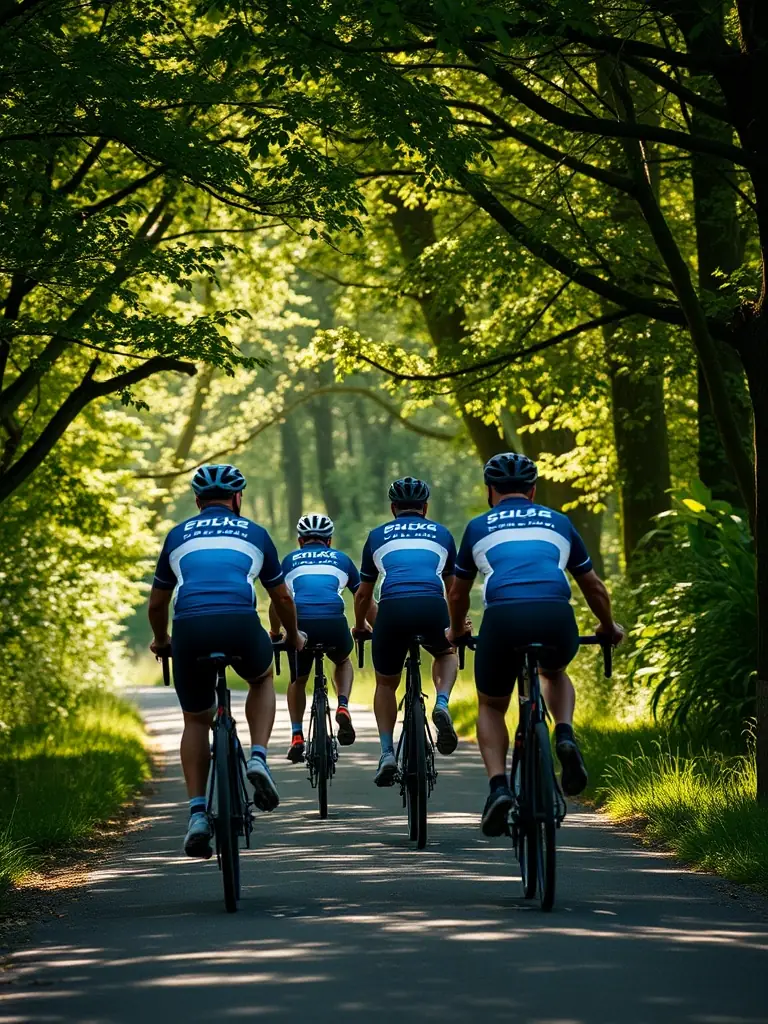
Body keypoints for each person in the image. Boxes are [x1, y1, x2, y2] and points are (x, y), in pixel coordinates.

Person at [446, 452, 625, 837]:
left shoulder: (478, 527)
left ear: (490, 491)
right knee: (554, 671)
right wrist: (608, 626)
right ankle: (563, 733)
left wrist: (457, 631)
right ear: (533, 490)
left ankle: (498, 789)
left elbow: (458, 593)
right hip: (555, 617)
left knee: (492, 704)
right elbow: (591, 585)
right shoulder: (559, 522)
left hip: (503, 619)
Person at [147, 463, 306, 859]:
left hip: (190, 629)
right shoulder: (254, 533)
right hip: (239, 625)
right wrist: (292, 635)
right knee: (262, 677)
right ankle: (258, 758)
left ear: (198, 501)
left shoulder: (177, 534)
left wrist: (162, 640)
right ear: (237, 500)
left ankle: (198, 814)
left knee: (196, 719)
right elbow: (281, 597)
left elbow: (157, 602)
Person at [354, 477, 461, 786]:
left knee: (386, 684)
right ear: (425, 508)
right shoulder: (442, 534)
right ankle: (441, 701)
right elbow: (454, 590)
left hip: (392, 611)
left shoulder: (376, 536)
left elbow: (363, 594)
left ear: (393, 509)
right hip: (432, 606)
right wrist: (457, 625)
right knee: (445, 652)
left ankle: (387, 752)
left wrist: (361, 625)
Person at [270, 513, 366, 762]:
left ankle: (296, 735)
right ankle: (343, 704)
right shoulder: (342, 560)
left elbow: (278, 600)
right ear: (329, 541)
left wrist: (275, 632)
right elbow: (361, 596)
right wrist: (362, 626)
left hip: (300, 625)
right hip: (334, 624)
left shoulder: (290, 560)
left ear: (300, 541)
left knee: (298, 681)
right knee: (343, 660)